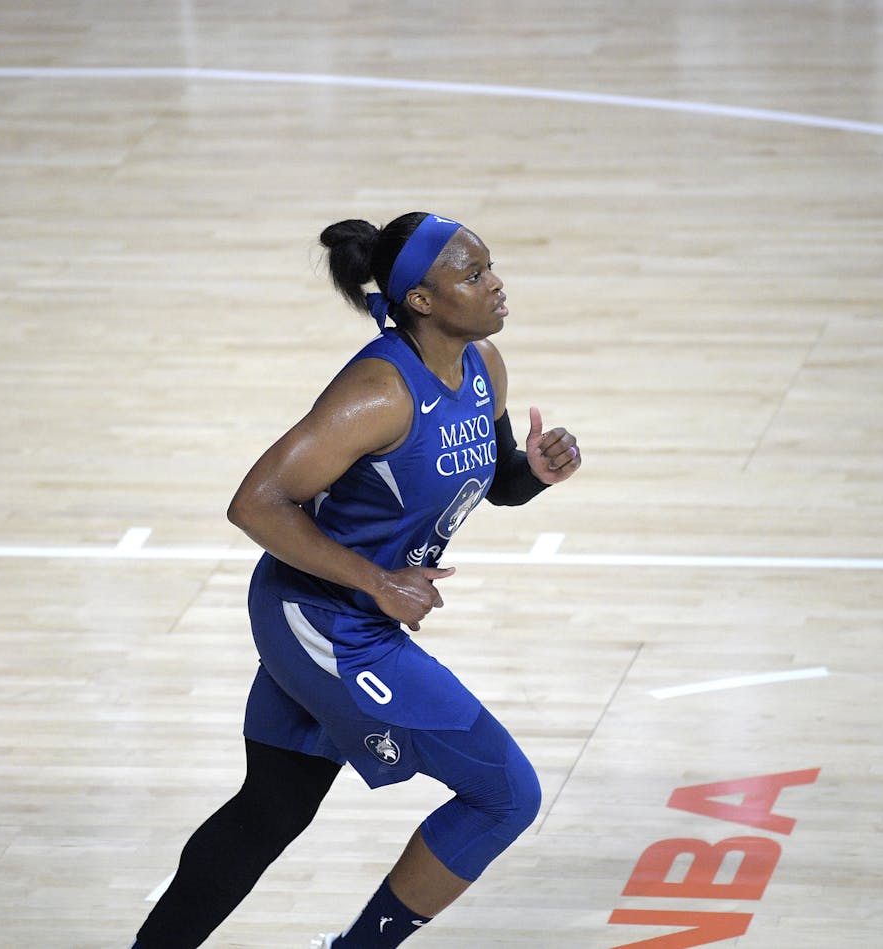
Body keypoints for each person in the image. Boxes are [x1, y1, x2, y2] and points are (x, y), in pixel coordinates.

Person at [131, 212, 581, 949]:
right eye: (473, 275)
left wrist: (535, 470)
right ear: (423, 302)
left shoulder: (483, 365)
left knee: (268, 813)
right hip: (323, 620)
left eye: (490, 266)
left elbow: (496, 480)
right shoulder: (379, 393)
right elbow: (254, 501)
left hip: (341, 611)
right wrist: (377, 581)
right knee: (506, 793)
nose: (496, 283)